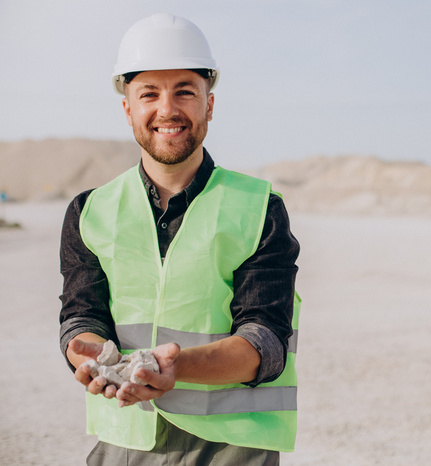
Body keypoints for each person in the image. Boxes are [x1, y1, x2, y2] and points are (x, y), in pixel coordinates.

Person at [59, 13, 300, 465]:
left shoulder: (258, 207)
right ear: (128, 107)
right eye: (148, 93)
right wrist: (88, 354)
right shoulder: (90, 211)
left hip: (231, 449)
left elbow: (265, 340)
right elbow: (81, 315)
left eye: (184, 91)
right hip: (124, 441)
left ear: (209, 104)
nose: (167, 109)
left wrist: (174, 369)